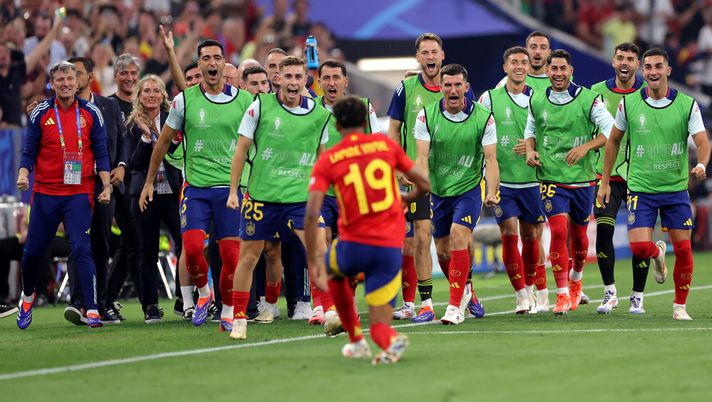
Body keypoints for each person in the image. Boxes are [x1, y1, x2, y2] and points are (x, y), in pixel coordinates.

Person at [305, 96, 430, 364]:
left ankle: (355, 338)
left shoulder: (329, 159)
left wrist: (314, 261)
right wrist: (407, 198)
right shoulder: (385, 145)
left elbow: (312, 212)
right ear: (365, 122)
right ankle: (389, 341)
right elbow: (424, 183)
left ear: (337, 126)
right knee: (380, 325)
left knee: (332, 270)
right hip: (388, 248)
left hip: (353, 245)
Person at [139, 40, 253, 331]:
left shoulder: (244, 101)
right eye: (206, 58)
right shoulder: (184, 101)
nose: (211, 63)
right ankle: (204, 293)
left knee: (230, 255)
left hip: (230, 191)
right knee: (191, 249)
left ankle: (227, 310)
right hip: (196, 189)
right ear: (199, 65)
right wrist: (149, 181)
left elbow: (256, 144)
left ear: (224, 64)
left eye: (217, 58)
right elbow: (163, 142)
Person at [597, 48, 710, 320]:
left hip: (675, 189)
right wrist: (604, 180)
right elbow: (612, 140)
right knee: (639, 250)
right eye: (647, 67)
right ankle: (657, 253)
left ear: (668, 70)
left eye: (658, 66)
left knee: (683, 248)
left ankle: (679, 306)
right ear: (642, 71)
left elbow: (703, 141)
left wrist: (702, 164)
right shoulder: (629, 104)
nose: (653, 72)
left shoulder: (687, 104)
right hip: (641, 189)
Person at [227, 55, 332, 340]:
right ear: (279, 79)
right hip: (262, 197)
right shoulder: (259, 106)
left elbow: (322, 160)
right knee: (248, 257)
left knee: (319, 249)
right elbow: (241, 150)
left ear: (304, 80)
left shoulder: (320, 115)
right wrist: (234, 190)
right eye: (288, 77)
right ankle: (238, 319)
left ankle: (331, 312)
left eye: (299, 77)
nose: (294, 82)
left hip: (300, 198)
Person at [388, 33, 481, 322]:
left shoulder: (462, 90)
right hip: (417, 176)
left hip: (457, 179)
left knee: (461, 238)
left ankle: (467, 289)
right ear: (418, 58)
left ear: (442, 56)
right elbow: (393, 130)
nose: (430, 56)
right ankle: (426, 303)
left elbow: (474, 129)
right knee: (421, 238)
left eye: (434, 52)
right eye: (424, 52)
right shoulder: (405, 89)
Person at [16, 60, 111, 329]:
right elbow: (29, 151)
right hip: (45, 192)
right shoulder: (40, 114)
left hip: (79, 192)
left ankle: (91, 309)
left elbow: (102, 152)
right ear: (52, 83)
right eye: (61, 80)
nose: (66, 84)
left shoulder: (92, 112)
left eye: (70, 78)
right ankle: (27, 297)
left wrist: (106, 185)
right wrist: (24, 174)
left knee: (82, 248)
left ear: (78, 81)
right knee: (33, 252)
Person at [525, 49, 614, 315]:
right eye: (554, 69)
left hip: (583, 179)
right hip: (551, 177)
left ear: (571, 71)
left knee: (578, 237)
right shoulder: (537, 100)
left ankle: (576, 280)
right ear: (547, 71)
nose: (558, 73)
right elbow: (530, 131)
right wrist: (530, 150)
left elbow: (611, 132)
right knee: (559, 232)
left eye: (563, 68)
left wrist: (587, 146)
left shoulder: (589, 100)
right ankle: (561, 294)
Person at [415, 64, 499, 324]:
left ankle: (454, 308)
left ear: (466, 87)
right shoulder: (426, 116)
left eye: (457, 85)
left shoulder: (484, 117)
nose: (452, 89)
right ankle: (467, 291)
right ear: (440, 88)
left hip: (469, 189)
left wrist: (492, 191)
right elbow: (421, 157)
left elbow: (492, 160)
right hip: (439, 192)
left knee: (457, 236)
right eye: (447, 85)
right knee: (442, 252)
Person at [307, 59, 380, 325]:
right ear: (319, 82)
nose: (331, 83)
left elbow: (375, 145)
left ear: (345, 81)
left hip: (354, 193)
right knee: (320, 242)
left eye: (336, 77)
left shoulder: (363, 107)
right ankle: (320, 306)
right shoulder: (310, 108)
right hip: (323, 192)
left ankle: (345, 304)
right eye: (325, 78)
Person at [479, 47, 547, 314]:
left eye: (523, 62)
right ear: (505, 67)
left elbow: (551, 135)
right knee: (508, 234)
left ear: (529, 68)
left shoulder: (540, 98)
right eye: (514, 62)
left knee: (531, 236)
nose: (519, 66)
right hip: (502, 180)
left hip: (532, 180)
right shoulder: (489, 99)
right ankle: (520, 295)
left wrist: (533, 146)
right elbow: (478, 132)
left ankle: (532, 289)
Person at [62, 56, 127, 325]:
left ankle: (99, 303)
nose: (71, 79)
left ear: (90, 76)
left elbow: (122, 139)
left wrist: (121, 165)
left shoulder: (108, 106)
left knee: (101, 243)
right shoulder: (59, 109)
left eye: (75, 73)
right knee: (78, 243)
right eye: (66, 74)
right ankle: (78, 302)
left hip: (103, 183)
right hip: (73, 183)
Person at [589, 42, 649, 314]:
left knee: (640, 240)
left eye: (630, 58)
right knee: (603, 230)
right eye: (620, 57)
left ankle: (637, 296)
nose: (625, 63)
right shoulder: (596, 93)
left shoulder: (648, 94)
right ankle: (609, 292)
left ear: (637, 64)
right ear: (613, 61)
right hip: (607, 175)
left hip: (640, 176)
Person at [127, 75, 183, 323]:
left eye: (156, 90)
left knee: (184, 245)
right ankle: (150, 305)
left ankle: (185, 299)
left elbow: (173, 152)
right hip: (143, 194)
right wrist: (144, 137)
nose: (151, 95)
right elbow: (133, 164)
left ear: (163, 96)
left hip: (172, 192)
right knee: (146, 250)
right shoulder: (130, 125)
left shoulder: (175, 119)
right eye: (146, 90)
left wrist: (154, 132)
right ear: (139, 95)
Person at [106, 53, 142, 316]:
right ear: (115, 76)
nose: (129, 78)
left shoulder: (145, 103)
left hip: (143, 182)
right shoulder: (108, 106)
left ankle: (107, 298)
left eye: (133, 73)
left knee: (131, 242)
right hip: (119, 182)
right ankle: (143, 299)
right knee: (133, 240)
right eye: (124, 73)